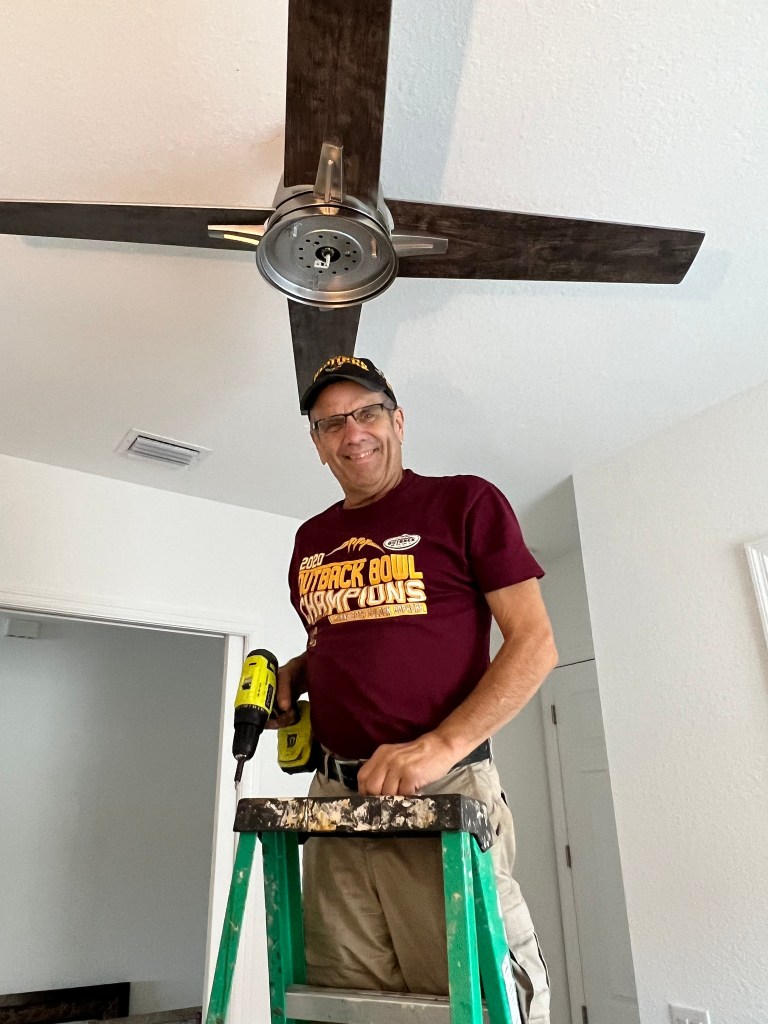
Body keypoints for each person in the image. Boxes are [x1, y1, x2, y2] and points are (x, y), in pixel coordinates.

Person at [274, 354, 558, 1024]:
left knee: (474, 1000)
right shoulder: (309, 540)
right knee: (351, 1005)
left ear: (398, 422)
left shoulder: (465, 501)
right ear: (318, 445)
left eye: (368, 412)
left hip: (443, 789)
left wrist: (437, 747)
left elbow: (535, 644)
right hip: (337, 802)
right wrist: (298, 669)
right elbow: (353, 636)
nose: (353, 432)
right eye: (331, 423)